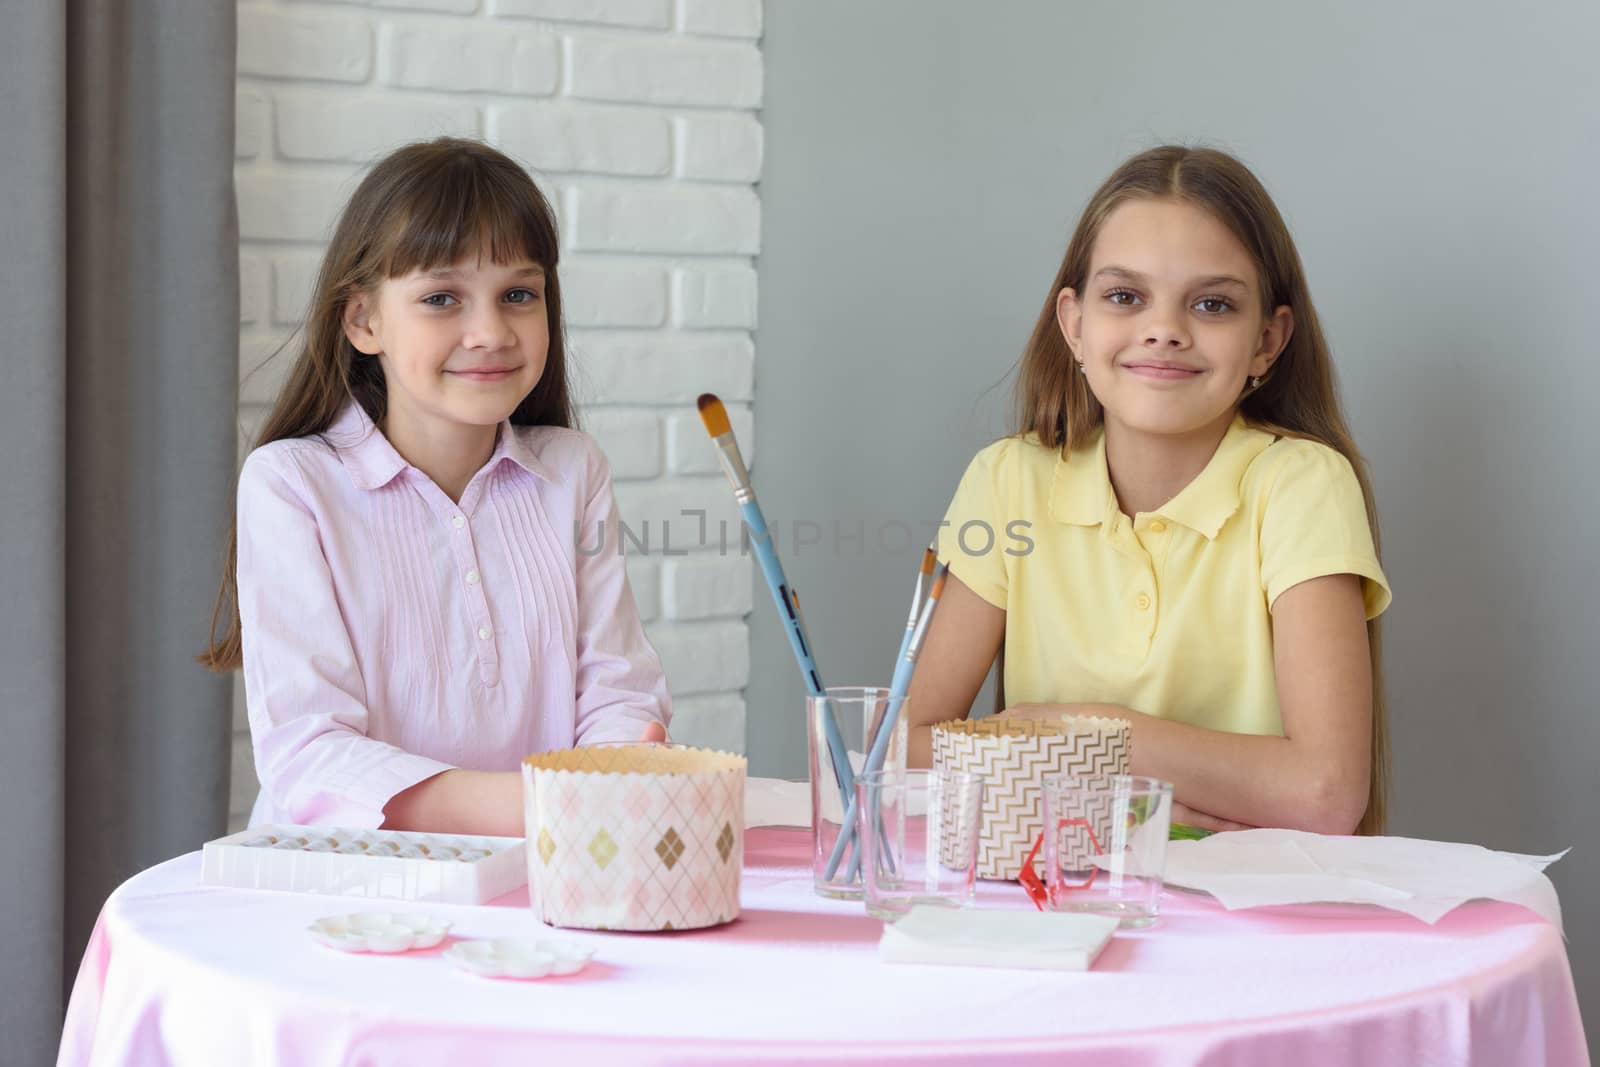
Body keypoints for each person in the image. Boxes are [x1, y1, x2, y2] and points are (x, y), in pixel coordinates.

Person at [909, 145, 1391, 835]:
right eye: (1125, 296)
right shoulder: (1006, 481)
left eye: (1213, 303)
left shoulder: (1303, 487)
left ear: (1267, 341)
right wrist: (1157, 792)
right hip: (1050, 900)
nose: (1164, 329)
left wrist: (1082, 732)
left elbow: (1324, 792)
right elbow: (908, 751)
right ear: (1074, 325)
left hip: (1247, 921)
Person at [201, 138, 669, 837]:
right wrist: (556, 805)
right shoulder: (291, 485)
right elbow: (310, 753)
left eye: (518, 294)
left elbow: (618, 693)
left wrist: (610, 784)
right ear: (363, 321)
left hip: (543, 877)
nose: (489, 332)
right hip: (344, 893)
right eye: (442, 297)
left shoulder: (574, 471)